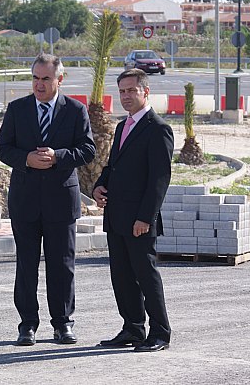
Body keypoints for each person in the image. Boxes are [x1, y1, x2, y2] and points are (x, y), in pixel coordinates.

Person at [0, 53, 96, 346]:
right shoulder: (17, 109)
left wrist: (58, 157)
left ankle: (63, 323)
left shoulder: (76, 111)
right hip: (25, 200)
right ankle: (27, 324)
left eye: (46, 79)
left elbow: (88, 150)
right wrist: (25, 159)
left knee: (62, 265)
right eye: (36, 78)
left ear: (59, 80)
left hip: (61, 201)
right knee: (26, 265)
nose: (39, 84)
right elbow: (2, 148)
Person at [93, 68, 174, 353]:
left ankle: (160, 333)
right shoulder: (122, 127)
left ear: (145, 92)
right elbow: (112, 166)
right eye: (122, 91)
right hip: (116, 216)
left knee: (146, 276)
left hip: (139, 220)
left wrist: (145, 218)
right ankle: (133, 328)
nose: (126, 96)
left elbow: (159, 179)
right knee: (122, 277)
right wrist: (99, 187)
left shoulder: (158, 128)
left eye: (131, 91)